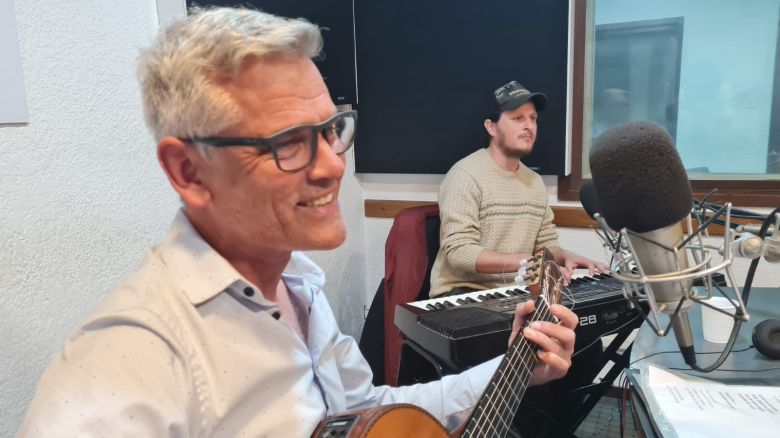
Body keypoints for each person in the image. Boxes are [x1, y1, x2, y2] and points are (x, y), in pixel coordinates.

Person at [18, 8, 578, 437]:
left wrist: (514, 368)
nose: (334, 163)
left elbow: (366, 414)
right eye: (289, 143)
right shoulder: (126, 366)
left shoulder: (299, 282)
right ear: (188, 171)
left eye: (333, 128)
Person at [429, 81, 610, 299]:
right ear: (491, 127)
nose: (529, 126)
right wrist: (531, 262)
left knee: (568, 323)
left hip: (515, 292)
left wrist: (567, 257)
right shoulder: (465, 175)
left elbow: (545, 247)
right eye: (518, 118)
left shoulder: (534, 182)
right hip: (464, 294)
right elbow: (459, 253)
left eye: (533, 119)